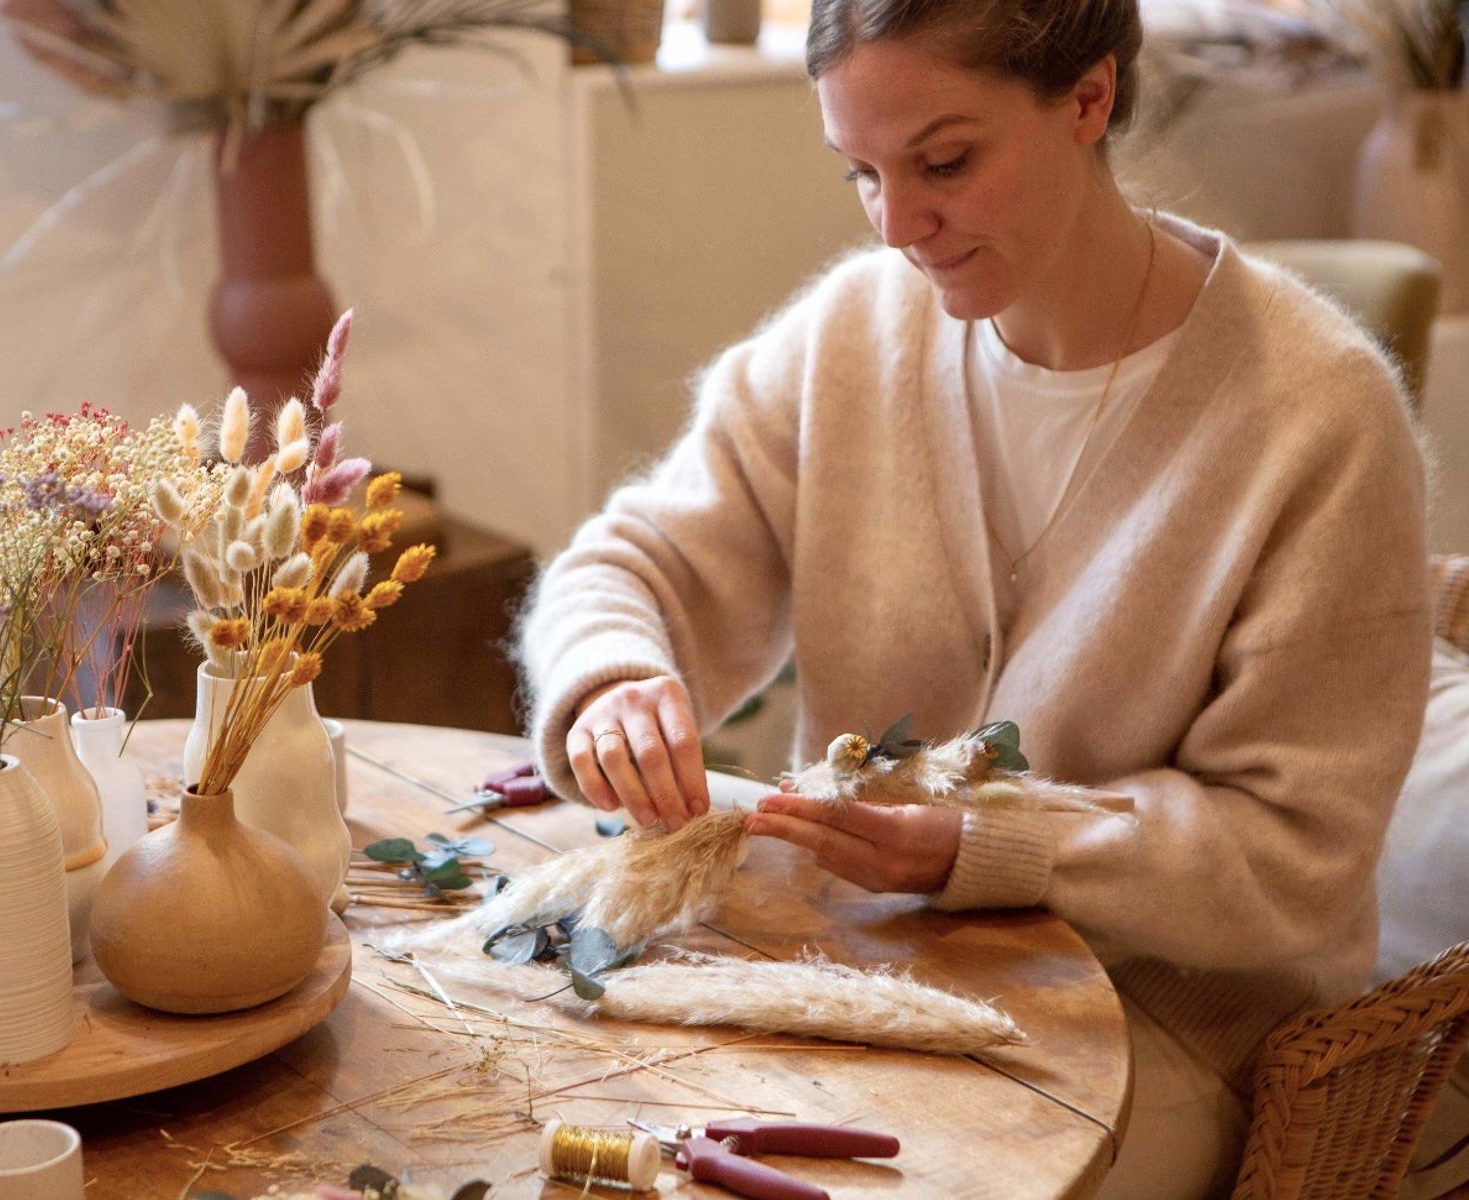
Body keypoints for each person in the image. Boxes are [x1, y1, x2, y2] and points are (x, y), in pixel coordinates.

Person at [515, 1, 1433, 1196]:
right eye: (861, 173)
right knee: (560, 1108)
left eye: (944, 162)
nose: (898, 224)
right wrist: (614, 676)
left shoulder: (1320, 413)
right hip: (852, 971)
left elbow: (1292, 849)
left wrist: (991, 846)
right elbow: (636, 561)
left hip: (1154, 1023)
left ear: (1090, 99)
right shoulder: (853, 331)